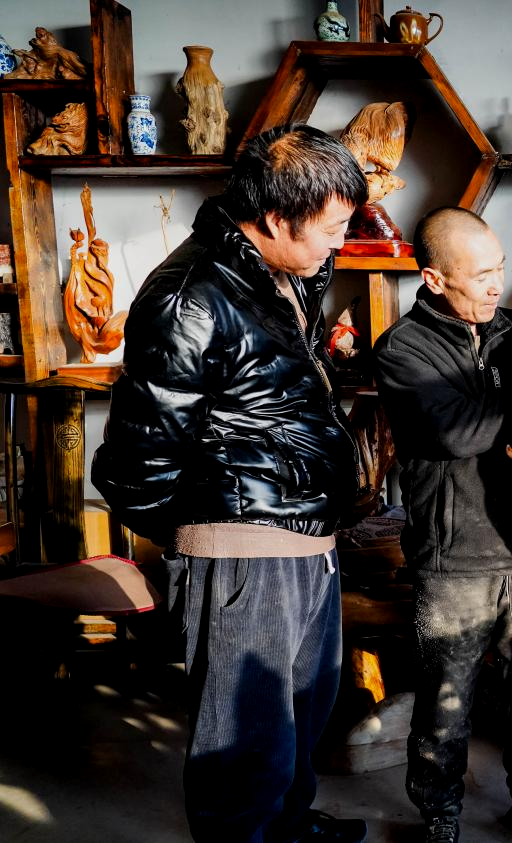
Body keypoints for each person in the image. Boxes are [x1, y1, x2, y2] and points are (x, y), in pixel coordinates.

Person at [91, 123, 371, 843]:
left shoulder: (284, 273)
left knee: (302, 716)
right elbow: (139, 461)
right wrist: (207, 537)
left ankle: (290, 829)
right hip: (246, 548)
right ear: (276, 217)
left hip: (306, 536)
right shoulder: (189, 296)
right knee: (244, 750)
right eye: (332, 228)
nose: (339, 243)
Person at [373, 206, 512, 843]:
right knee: (445, 706)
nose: (497, 283)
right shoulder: (403, 350)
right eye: (481, 275)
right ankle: (440, 818)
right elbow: (452, 430)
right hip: (455, 559)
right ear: (435, 278)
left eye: (499, 268)